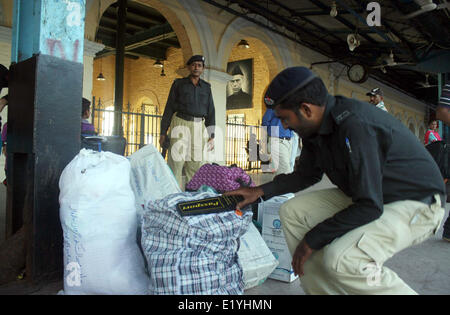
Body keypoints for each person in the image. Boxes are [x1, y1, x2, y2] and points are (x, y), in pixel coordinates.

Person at [225, 66, 446, 294]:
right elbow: (307, 175)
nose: (284, 126)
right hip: (372, 195)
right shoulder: (314, 128)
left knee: (343, 258)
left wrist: (312, 239)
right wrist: (259, 191)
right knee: (292, 212)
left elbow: (369, 205)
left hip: (417, 202)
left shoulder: (354, 125)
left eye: (285, 118)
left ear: (306, 109)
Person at [159, 55, 215, 187]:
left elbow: (211, 111)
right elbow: (169, 108)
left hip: (198, 126)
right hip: (180, 123)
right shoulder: (178, 84)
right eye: (194, 65)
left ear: (203, 69)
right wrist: (163, 132)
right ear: (189, 67)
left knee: (196, 162)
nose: (196, 67)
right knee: (176, 162)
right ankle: (174, 195)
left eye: (199, 65)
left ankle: (192, 197)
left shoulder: (206, 87)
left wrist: (212, 135)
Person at [262, 107, 293, 175]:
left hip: (289, 141)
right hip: (277, 140)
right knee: (286, 170)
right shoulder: (275, 105)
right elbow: (265, 121)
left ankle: (277, 185)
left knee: (279, 171)